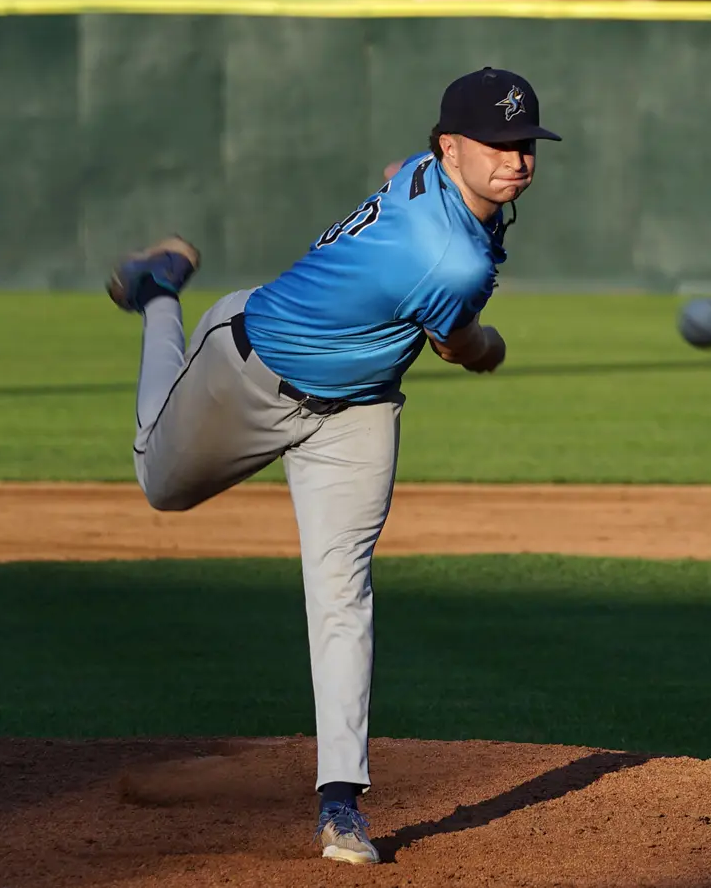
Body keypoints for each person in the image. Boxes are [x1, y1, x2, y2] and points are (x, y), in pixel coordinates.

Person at [105, 67, 561, 865]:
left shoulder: (426, 174)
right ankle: (160, 293)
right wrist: (493, 348)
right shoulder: (451, 259)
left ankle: (340, 804)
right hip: (249, 371)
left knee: (342, 589)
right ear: (450, 147)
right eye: (496, 142)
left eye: (525, 142)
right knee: (158, 482)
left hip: (359, 410)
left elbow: (395, 171)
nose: (516, 158)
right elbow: (461, 345)